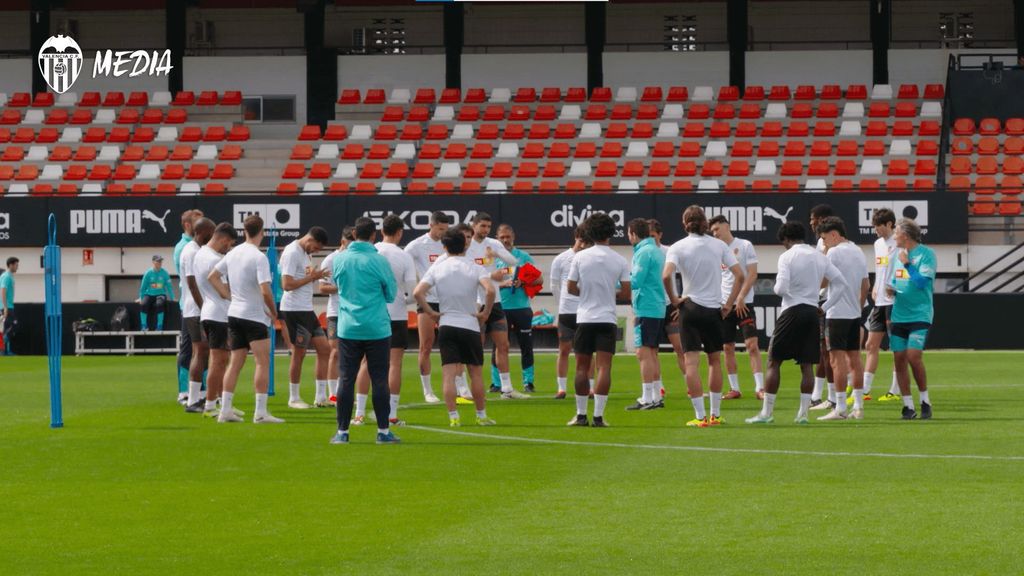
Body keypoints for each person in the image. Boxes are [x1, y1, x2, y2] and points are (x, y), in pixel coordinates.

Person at [745, 222, 848, 425]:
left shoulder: (787, 256)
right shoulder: (819, 256)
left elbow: (781, 288)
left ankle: (766, 412)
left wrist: (778, 289)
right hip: (811, 312)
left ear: (786, 239)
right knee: (806, 364)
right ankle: (802, 414)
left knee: (774, 361)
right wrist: (825, 307)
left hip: (791, 310)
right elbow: (841, 284)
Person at [663, 206, 745, 428]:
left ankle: (700, 417)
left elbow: (666, 276)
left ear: (684, 223)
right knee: (714, 361)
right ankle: (715, 415)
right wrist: (728, 304)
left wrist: (674, 300)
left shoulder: (677, 246)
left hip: (690, 308)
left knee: (691, 362)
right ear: (705, 223)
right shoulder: (719, 245)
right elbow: (740, 275)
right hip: (713, 310)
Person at [413, 227, 497, 428]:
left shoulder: (437, 268)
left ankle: (453, 417)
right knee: (475, 373)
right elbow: (490, 290)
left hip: (447, 325)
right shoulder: (475, 267)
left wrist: (430, 312)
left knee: (449, 375)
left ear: (444, 246)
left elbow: (417, 292)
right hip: (470, 324)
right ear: (465, 245)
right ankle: (481, 415)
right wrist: (485, 313)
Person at [329, 217, 400, 445]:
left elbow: (339, 287)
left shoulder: (339, 259)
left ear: (353, 234)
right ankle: (383, 431)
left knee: (346, 379)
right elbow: (391, 294)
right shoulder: (379, 261)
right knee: (379, 380)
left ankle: (342, 432)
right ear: (373, 235)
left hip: (349, 326)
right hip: (377, 327)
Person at [209, 214, 284, 424]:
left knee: (235, 363)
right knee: (262, 362)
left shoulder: (233, 253)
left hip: (234, 314)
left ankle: (225, 410)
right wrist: (274, 312)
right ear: (262, 232)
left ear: (244, 231)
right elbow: (266, 290)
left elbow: (212, 276)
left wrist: (229, 296)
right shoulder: (259, 257)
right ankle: (260, 412)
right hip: (254, 316)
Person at [351, 215, 417, 427]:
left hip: (371, 313)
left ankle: (359, 414)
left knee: (366, 362)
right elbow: (412, 293)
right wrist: (403, 300)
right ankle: (391, 414)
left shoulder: (372, 251)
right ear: (399, 232)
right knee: (394, 364)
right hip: (396, 314)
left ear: (381, 232)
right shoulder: (404, 256)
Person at [566, 213, 631, 428]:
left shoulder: (579, 257)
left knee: (581, 368)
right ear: (611, 232)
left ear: (589, 232)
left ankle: (581, 415)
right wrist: (608, 294)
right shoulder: (619, 259)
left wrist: (587, 293)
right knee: (604, 368)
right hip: (607, 319)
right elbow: (626, 293)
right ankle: (599, 417)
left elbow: (570, 287)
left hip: (585, 318)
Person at [465, 212, 529, 399]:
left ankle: (506, 389)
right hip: (475, 302)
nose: (485, 230)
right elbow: (466, 272)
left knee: (504, 344)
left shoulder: (493, 244)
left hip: (495, 301)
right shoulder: (467, 245)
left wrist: (497, 257)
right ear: (474, 225)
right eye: (482, 226)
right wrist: (490, 274)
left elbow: (514, 262)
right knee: (475, 346)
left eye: (488, 226)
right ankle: (469, 389)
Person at [817, 216, 870, 421]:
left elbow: (823, 282)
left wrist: (822, 258)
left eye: (824, 239)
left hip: (836, 313)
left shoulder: (833, 252)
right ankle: (858, 406)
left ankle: (840, 407)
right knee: (854, 359)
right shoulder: (858, 251)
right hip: (853, 314)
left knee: (836, 360)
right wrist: (858, 307)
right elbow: (865, 285)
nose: (823, 243)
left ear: (834, 234)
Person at [709, 215, 764, 401]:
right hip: (724, 305)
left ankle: (759, 387)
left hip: (744, 303)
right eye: (712, 231)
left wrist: (740, 297)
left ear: (727, 226)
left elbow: (752, 274)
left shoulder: (745, 245)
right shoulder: (715, 250)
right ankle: (734, 388)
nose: (714, 233)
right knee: (727, 347)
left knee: (752, 345)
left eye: (717, 229)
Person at [886, 218, 936, 420]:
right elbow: (895, 280)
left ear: (905, 235)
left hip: (920, 315)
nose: (894, 236)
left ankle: (925, 401)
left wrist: (907, 264)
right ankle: (908, 406)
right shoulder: (897, 256)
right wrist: (891, 290)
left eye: (896, 232)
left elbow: (922, 283)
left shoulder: (926, 254)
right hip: (899, 315)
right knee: (899, 360)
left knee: (913, 357)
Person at [279, 226, 332, 409]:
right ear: (310, 240)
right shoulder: (292, 252)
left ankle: (320, 397)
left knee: (324, 349)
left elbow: (301, 278)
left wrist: (314, 277)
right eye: (316, 248)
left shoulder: (304, 253)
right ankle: (293, 398)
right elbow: (286, 284)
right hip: (294, 309)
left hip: (306, 309)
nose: (316, 251)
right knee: (299, 353)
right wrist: (312, 277)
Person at [192, 223, 241, 418]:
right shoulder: (214, 259)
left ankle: (222, 403)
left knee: (221, 360)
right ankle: (211, 405)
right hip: (218, 314)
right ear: (223, 239)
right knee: (218, 361)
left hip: (211, 311)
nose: (229, 248)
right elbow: (224, 291)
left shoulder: (201, 255)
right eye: (229, 244)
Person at [404, 211, 450, 404]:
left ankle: (460, 388)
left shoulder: (449, 243)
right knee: (426, 345)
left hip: (449, 300)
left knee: (453, 345)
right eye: (440, 229)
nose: (443, 233)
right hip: (427, 300)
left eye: (446, 229)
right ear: (431, 225)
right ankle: (428, 391)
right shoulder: (416, 245)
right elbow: (402, 263)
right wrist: (413, 287)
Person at [492, 224, 543, 393]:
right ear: (497, 239)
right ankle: (497, 383)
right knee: (498, 347)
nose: (505, 240)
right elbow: (484, 281)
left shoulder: (523, 257)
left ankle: (528, 382)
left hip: (522, 308)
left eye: (508, 237)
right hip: (500, 308)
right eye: (502, 237)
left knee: (526, 346)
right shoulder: (492, 258)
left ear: (513, 237)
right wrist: (503, 284)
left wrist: (523, 282)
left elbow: (539, 279)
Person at [625, 218, 667, 411]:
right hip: (656, 306)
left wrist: (615, 282)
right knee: (651, 353)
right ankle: (656, 396)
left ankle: (647, 397)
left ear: (634, 234)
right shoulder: (656, 250)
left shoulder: (643, 252)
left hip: (646, 306)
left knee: (643, 353)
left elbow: (636, 281)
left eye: (629, 233)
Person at [549, 227, 592, 399]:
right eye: (581, 241)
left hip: (585, 311)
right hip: (566, 312)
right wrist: (561, 304)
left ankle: (590, 388)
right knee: (564, 350)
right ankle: (561, 388)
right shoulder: (561, 259)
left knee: (587, 352)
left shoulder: (589, 259)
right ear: (575, 238)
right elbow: (554, 285)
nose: (582, 245)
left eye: (586, 242)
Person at [865, 208, 901, 403]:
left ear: (889, 224)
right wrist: (875, 286)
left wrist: (896, 287)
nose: (875, 230)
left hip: (894, 302)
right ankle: (864, 391)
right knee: (871, 344)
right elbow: (880, 268)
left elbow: (905, 269)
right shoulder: (877, 244)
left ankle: (895, 390)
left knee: (896, 346)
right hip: (878, 301)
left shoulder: (900, 241)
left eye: (878, 226)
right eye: (874, 227)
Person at [648, 218, 685, 401]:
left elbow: (686, 274)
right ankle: (659, 388)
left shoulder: (670, 251)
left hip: (671, 306)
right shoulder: (642, 253)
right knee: (652, 351)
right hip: (651, 307)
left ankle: (690, 386)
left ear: (660, 235)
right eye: (647, 236)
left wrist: (681, 301)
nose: (650, 239)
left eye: (653, 236)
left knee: (680, 348)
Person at [181, 217, 215, 413]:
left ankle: (199, 397)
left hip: (195, 308)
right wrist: (204, 309)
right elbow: (192, 283)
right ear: (202, 233)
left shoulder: (195, 250)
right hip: (196, 310)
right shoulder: (192, 252)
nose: (212, 237)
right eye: (211, 234)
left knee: (202, 352)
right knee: (200, 351)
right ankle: (193, 400)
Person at [319, 226, 355, 406]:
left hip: (353, 312)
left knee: (352, 355)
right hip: (335, 312)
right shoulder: (330, 259)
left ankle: (344, 392)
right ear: (342, 242)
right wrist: (342, 288)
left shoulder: (355, 259)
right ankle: (333, 395)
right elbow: (322, 287)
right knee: (336, 352)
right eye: (349, 245)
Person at [809, 204, 837, 410]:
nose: (811, 222)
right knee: (823, 350)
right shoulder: (821, 242)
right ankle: (818, 395)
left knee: (831, 351)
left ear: (821, 220)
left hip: (830, 302)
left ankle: (833, 397)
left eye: (813, 218)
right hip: (824, 301)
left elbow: (827, 273)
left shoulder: (830, 244)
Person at [173, 209, 202, 405]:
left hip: (198, 304)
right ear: (187, 225)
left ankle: (202, 390)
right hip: (190, 305)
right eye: (197, 223)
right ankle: (184, 391)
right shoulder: (184, 248)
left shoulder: (197, 246)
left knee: (201, 349)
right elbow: (189, 280)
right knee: (188, 348)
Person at [137, 255, 175, 331]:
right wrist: (141, 297)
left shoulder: (165, 273)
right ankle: (144, 326)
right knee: (143, 304)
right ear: (153, 262)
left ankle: (159, 326)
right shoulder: (148, 273)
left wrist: (172, 297)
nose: (160, 263)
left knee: (159, 304)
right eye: (158, 261)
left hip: (161, 294)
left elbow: (169, 287)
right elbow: (143, 287)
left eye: (161, 261)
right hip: (149, 294)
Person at [1, 257, 18, 356]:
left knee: (8, 328)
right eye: (16, 265)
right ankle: (3, 350)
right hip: (7, 307)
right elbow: (3, 290)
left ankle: (6, 350)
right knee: (11, 327)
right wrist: (5, 307)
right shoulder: (6, 276)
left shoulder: (8, 276)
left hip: (9, 306)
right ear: (10, 265)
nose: (17, 267)